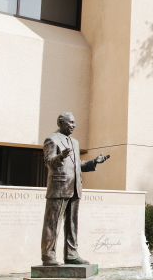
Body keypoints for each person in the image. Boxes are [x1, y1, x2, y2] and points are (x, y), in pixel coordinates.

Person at [41, 112, 109, 265]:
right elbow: (49, 162)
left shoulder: (75, 143)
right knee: (52, 223)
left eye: (74, 123)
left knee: (72, 223)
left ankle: (71, 254)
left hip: (75, 187)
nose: (73, 125)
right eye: (70, 122)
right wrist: (60, 157)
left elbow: (77, 165)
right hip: (59, 187)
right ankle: (48, 256)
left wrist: (93, 162)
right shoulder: (51, 140)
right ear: (60, 122)